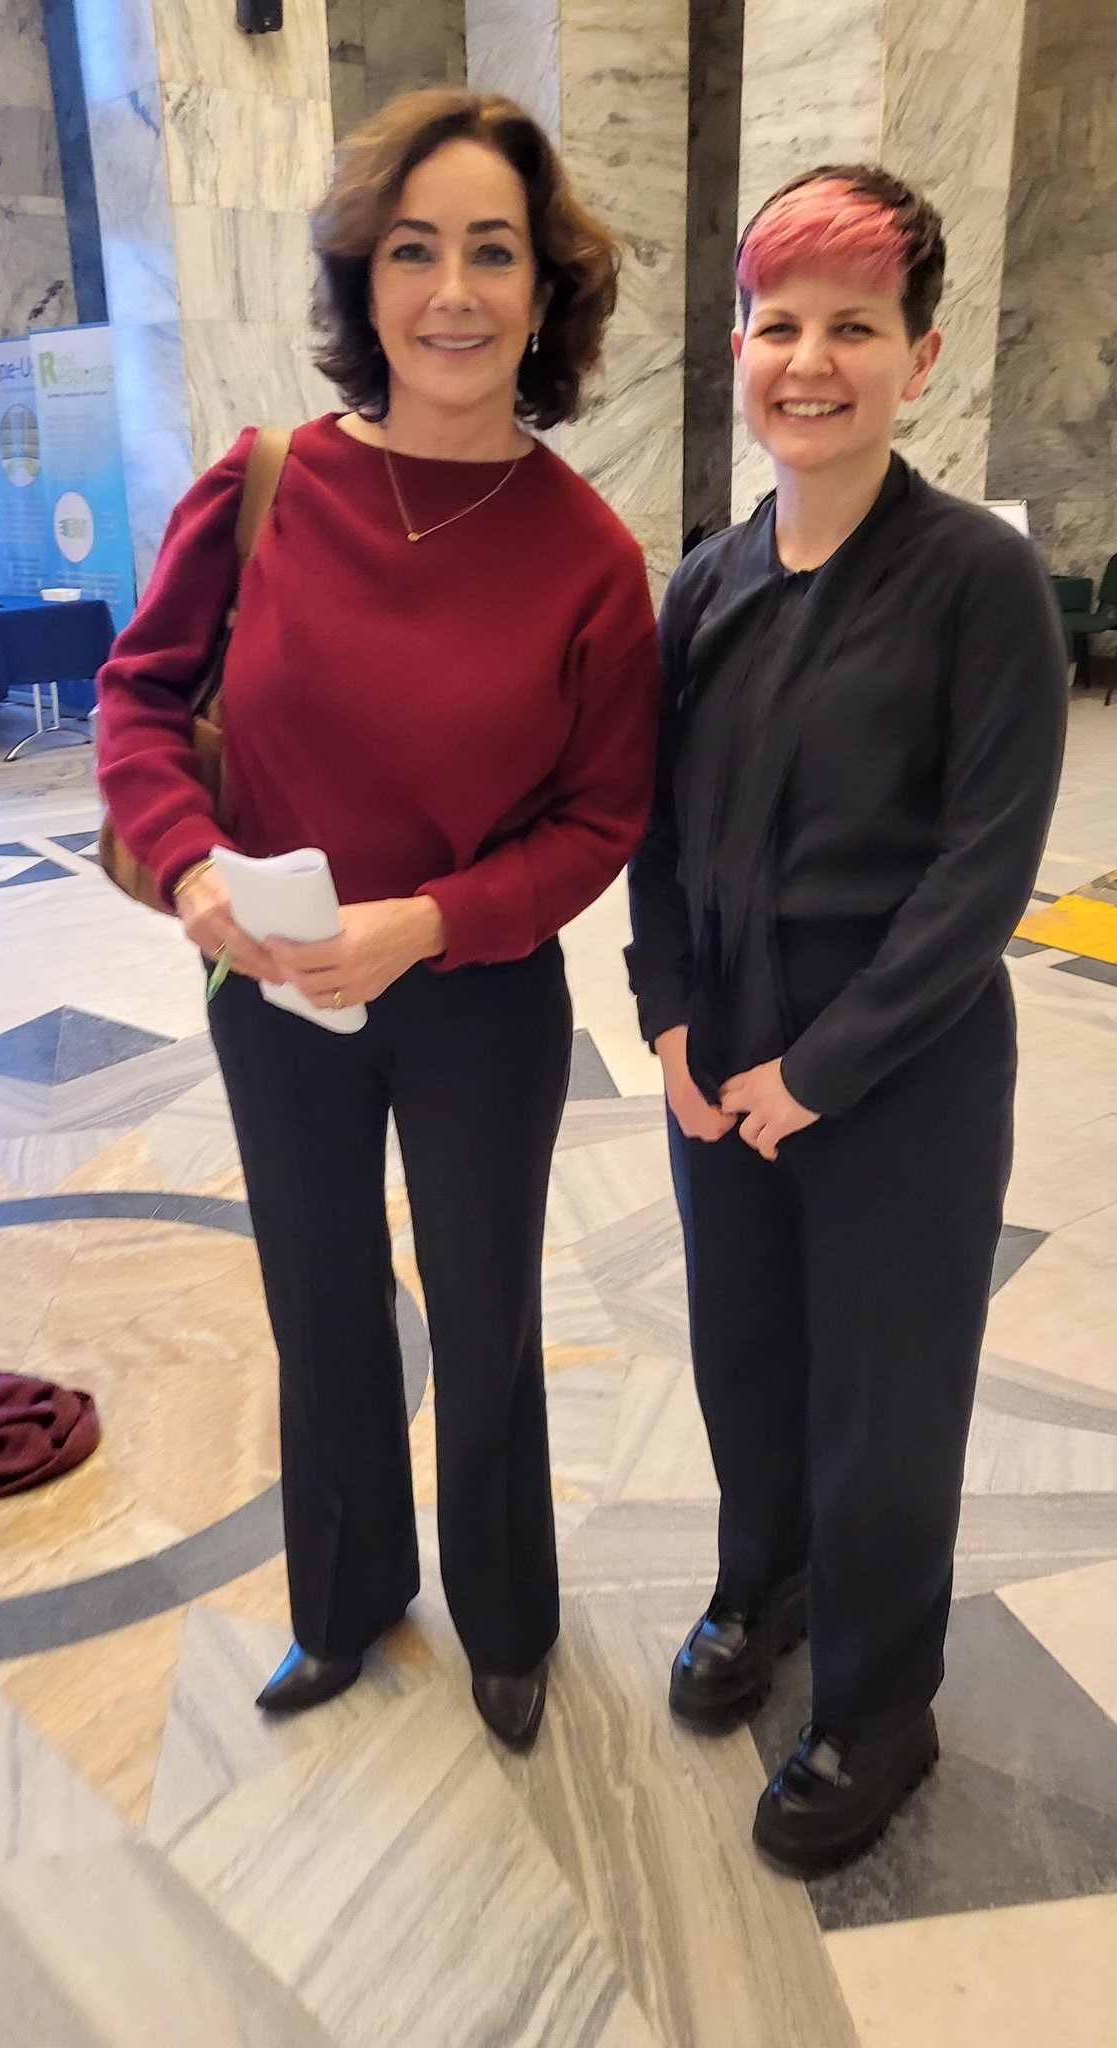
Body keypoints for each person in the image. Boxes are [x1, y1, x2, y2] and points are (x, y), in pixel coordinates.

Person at [97, 89, 658, 1751]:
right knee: (318, 1295)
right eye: (413, 252)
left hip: (476, 991)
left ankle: (506, 1616)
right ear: (364, 286)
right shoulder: (268, 482)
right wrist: (196, 873)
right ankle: (341, 1603)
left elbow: (600, 818)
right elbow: (137, 699)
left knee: (483, 1310)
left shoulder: (589, 557)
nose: (454, 292)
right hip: (269, 979)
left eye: (494, 252)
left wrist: (431, 920)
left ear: (545, 294)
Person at [626, 165, 1066, 1871]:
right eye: (778, 323)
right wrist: (668, 1019)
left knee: (883, 1398)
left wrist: (821, 1069)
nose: (809, 360)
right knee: (746, 1361)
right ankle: (766, 1585)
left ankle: (880, 1706)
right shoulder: (705, 584)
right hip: (717, 1043)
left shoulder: (974, 583)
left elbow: (982, 872)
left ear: (920, 353)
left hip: (898, 1063)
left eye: (852, 327)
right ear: (737, 343)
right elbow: (649, 830)